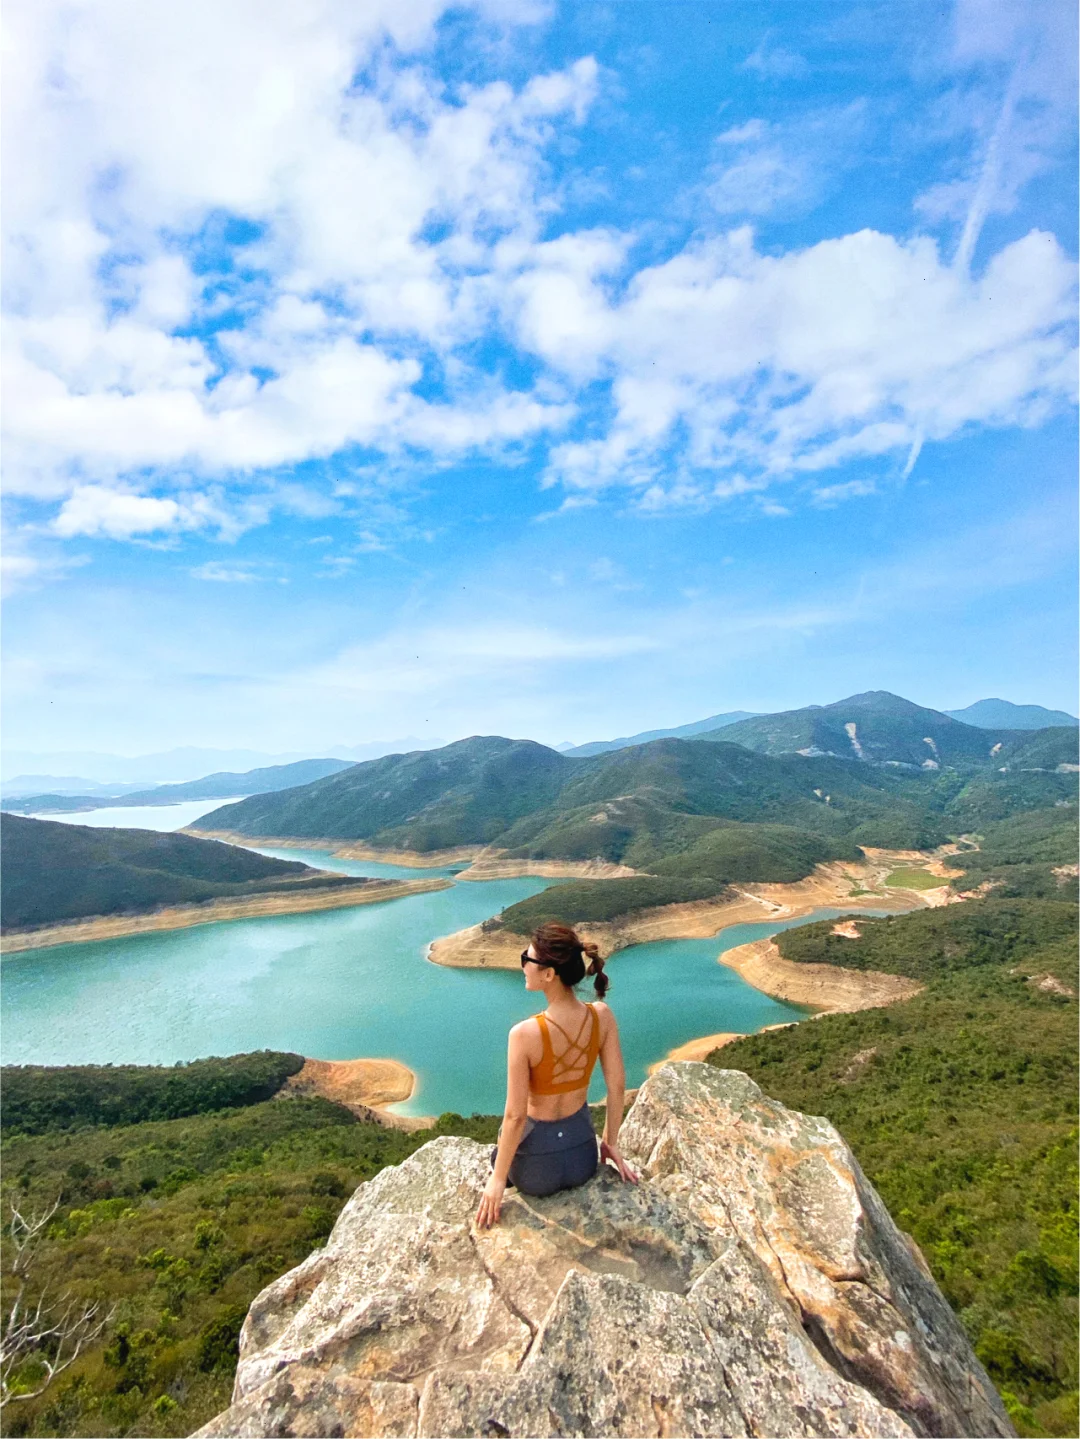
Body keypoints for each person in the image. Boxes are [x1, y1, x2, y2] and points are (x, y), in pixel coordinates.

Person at [475, 920, 639, 1229]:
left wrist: (498, 1180)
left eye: (528, 958)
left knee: (501, 1146)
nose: (523, 964)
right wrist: (610, 1142)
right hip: (583, 1160)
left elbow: (515, 1118)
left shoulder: (523, 1034)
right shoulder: (601, 1016)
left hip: (534, 1173)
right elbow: (617, 1087)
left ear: (549, 974)